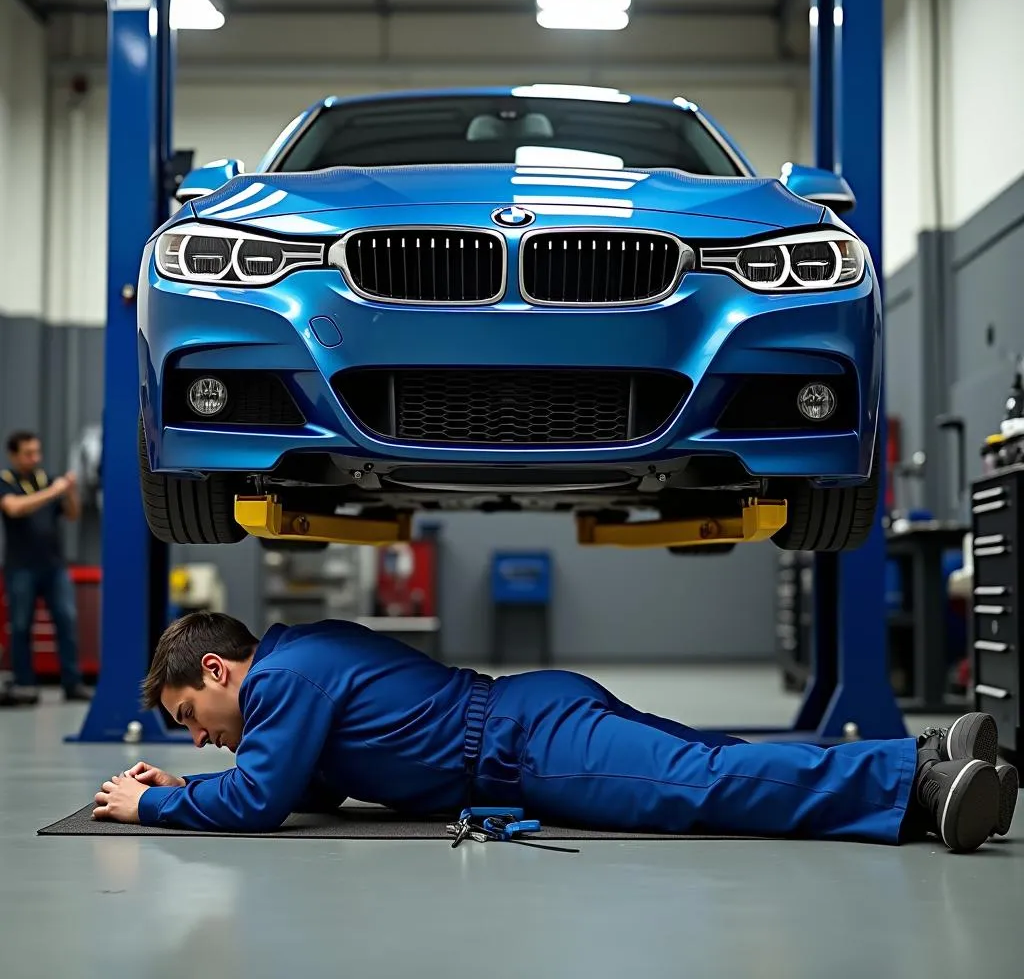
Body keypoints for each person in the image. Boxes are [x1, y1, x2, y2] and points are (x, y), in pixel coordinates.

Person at [93, 612, 1019, 853]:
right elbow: (306, 787)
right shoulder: (301, 663)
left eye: (190, 721)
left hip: (527, 748)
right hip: (532, 713)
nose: (201, 739)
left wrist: (153, 809)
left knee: (698, 789)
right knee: (713, 764)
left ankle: (921, 796)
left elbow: (258, 801)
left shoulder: (283, 680)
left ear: (216, 672)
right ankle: (925, 756)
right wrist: (180, 788)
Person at [0, 430, 92, 706]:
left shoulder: (46, 479)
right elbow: (14, 508)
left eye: (37, 452)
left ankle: (72, 683)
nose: (34, 458)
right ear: (13, 455)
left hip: (54, 566)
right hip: (21, 568)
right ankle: (25, 685)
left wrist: (70, 493)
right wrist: (53, 492)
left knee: (66, 620)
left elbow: (73, 515)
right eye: (28, 453)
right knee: (20, 626)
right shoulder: (7, 482)